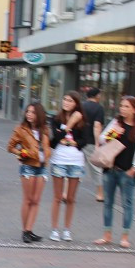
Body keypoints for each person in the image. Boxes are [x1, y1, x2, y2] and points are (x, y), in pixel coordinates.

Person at [94, 96, 135, 249]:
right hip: (110, 169)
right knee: (108, 203)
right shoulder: (115, 123)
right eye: (121, 106)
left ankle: (125, 237)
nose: (122, 109)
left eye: (126, 106)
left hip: (127, 172)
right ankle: (107, 235)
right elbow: (101, 140)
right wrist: (112, 134)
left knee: (127, 204)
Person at [7, 102, 51, 242]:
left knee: (36, 200)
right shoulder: (21, 129)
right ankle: (25, 231)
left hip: (42, 166)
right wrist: (21, 153)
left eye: (32, 112)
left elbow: (47, 147)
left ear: (39, 114)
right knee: (28, 199)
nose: (29, 114)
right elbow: (10, 146)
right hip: (28, 166)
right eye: (28, 112)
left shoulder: (45, 129)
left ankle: (30, 230)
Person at [47, 92, 86, 242]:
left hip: (76, 161)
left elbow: (84, 140)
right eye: (64, 99)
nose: (66, 102)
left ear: (76, 103)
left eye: (70, 100)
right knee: (57, 197)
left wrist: (70, 141)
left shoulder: (82, 120)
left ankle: (67, 229)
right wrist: (70, 124)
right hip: (59, 159)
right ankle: (55, 229)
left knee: (71, 198)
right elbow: (56, 139)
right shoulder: (56, 119)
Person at [81, 87, 106, 202]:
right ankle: (100, 194)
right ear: (96, 96)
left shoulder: (81, 106)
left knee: (75, 165)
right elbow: (97, 126)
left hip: (78, 140)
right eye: (99, 95)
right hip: (90, 141)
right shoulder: (99, 108)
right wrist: (97, 143)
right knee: (96, 168)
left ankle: (66, 192)